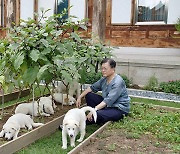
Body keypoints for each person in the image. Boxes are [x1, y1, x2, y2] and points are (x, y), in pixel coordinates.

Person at [76, 58, 130, 124]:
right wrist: (80, 97)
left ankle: (78, 123)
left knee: (98, 114)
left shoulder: (117, 82)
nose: (103, 70)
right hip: (107, 106)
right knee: (89, 95)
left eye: (105, 68)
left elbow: (108, 100)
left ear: (113, 69)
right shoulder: (104, 79)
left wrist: (94, 110)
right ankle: (96, 115)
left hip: (118, 108)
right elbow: (92, 88)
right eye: (102, 68)